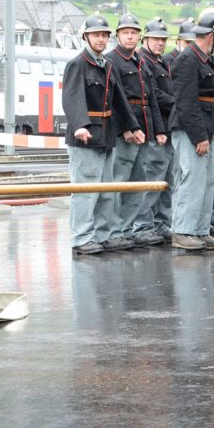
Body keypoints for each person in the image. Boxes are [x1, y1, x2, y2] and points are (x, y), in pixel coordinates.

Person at [62, 13, 142, 255]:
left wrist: (132, 127)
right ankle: (82, 237)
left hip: (106, 135)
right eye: (96, 35)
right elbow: (72, 97)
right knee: (86, 190)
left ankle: (103, 235)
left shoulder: (107, 65)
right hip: (85, 136)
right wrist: (79, 125)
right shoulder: (77, 64)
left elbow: (118, 100)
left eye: (104, 35)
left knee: (107, 190)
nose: (101, 39)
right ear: (86, 37)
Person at [167, 8, 214, 251]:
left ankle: (201, 230)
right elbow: (186, 102)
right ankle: (183, 231)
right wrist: (199, 136)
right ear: (211, 37)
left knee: (207, 180)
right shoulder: (188, 59)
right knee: (192, 179)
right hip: (191, 129)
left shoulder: (206, 60)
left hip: (206, 126)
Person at [108, 13, 166, 247]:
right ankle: (114, 232)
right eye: (125, 33)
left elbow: (151, 99)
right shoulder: (112, 60)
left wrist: (159, 130)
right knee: (119, 182)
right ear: (118, 35)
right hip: (126, 131)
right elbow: (114, 100)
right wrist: (126, 128)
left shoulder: (140, 61)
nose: (130, 37)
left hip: (144, 127)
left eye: (133, 32)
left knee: (139, 183)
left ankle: (127, 229)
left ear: (139, 36)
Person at [138, 17, 175, 242]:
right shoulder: (144, 62)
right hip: (155, 129)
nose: (160, 43)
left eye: (163, 39)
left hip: (167, 128)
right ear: (145, 39)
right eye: (155, 39)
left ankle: (161, 223)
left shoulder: (160, 62)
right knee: (152, 180)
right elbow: (154, 95)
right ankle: (143, 225)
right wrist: (178, 103)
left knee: (166, 180)